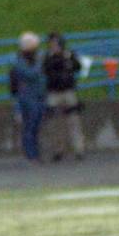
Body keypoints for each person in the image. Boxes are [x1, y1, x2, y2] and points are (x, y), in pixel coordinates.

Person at [43, 32, 86, 161]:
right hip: (53, 92)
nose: (54, 46)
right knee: (54, 123)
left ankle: (79, 149)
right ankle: (58, 150)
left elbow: (78, 67)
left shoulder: (69, 55)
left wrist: (69, 59)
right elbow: (46, 71)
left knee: (73, 121)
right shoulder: (48, 58)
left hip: (68, 91)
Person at [8, 31, 46, 163]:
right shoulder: (20, 62)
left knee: (36, 126)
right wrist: (40, 64)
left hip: (38, 96)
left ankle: (35, 152)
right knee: (29, 126)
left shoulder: (35, 59)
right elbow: (31, 74)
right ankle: (31, 154)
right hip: (27, 98)